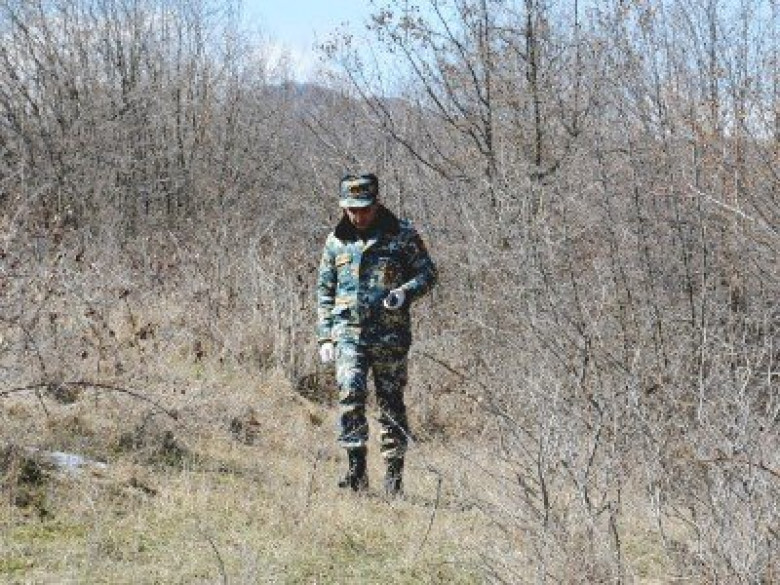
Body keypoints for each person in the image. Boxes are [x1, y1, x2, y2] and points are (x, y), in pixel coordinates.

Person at [316, 173, 437, 496]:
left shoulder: (402, 235)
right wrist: (325, 336)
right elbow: (325, 291)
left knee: (390, 403)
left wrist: (405, 292)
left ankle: (394, 477)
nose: (358, 217)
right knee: (350, 393)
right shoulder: (336, 241)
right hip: (348, 333)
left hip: (390, 336)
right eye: (352, 210)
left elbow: (428, 273)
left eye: (364, 209)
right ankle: (356, 470)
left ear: (377, 204)